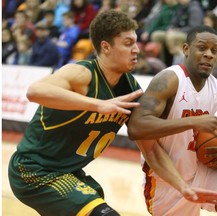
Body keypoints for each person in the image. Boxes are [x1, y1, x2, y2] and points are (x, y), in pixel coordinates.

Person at [8, 10, 144, 216]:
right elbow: (34, 91)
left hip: (70, 173)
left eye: (136, 42)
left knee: (97, 201)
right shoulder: (81, 73)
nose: (136, 49)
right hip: (34, 170)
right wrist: (98, 105)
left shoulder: (129, 86)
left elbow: (146, 135)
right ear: (106, 47)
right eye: (128, 43)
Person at [128, 25, 217, 216]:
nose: (209, 54)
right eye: (202, 48)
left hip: (205, 168)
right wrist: (194, 122)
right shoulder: (169, 80)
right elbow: (136, 128)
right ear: (186, 49)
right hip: (168, 177)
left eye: (215, 50)